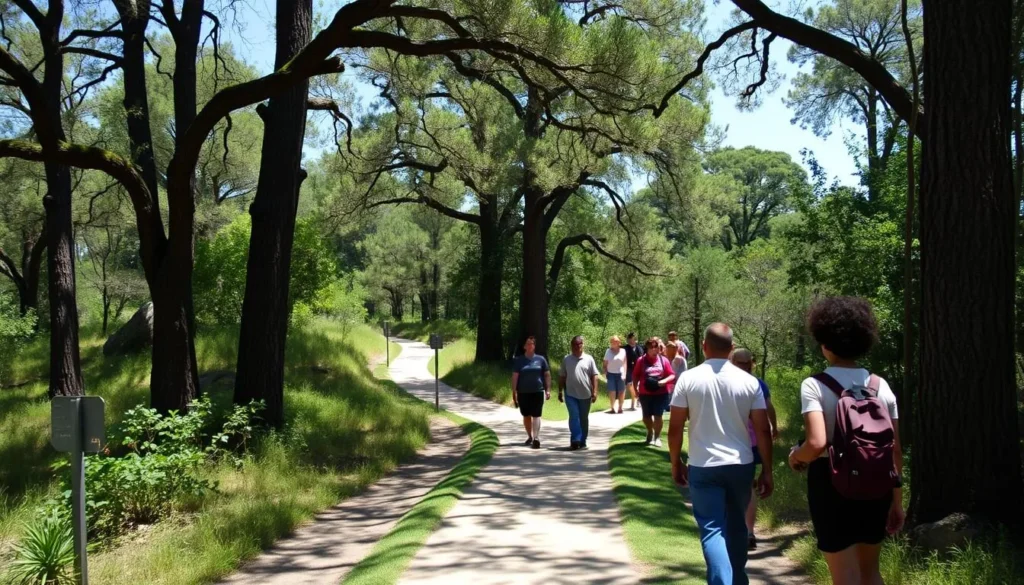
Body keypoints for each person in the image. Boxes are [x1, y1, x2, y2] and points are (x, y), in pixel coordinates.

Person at [788, 297, 904, 585]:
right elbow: (895, 450)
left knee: (845, 577)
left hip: (831, 483)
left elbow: (816, 443)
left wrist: (796, 457)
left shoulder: (814, 385)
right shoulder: (881, 385)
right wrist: (897, 501)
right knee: (870, 573)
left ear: (825, 343)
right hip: (877, 483)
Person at [668, 323, 773, 585]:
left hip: (703, 466)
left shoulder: (688, 379)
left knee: (712, 528)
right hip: (741, 465)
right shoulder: (750, 382)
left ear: (703, 347)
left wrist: (675, 463)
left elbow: (675, 428)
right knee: (737, 525)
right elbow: (763, 429)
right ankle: (737, 580)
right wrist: (768, 471)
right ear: (731, 349)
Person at [729, 348, 778, 550]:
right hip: (742, 442)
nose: (747, 365)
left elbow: (769, 406)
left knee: (744, 486)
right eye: (743, 362)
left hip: (743, 442)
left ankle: (747, 531)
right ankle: (744, 530)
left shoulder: (732, 383)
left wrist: (773, 427)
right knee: (744, 486)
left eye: (748, 362)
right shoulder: (754, 384)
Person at [631, 337, 675, 447]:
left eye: (656, 347)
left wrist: (664, 381)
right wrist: (635, 389)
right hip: (645, 393)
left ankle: (657, 437)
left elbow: (672, 375)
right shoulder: (641, 360)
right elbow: (635, 375)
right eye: (652, 348)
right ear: (647, 349)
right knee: (646, 417)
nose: (655, 350)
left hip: (660, 393)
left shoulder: (663, 360)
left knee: (658, 416)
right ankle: (650, 431)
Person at [559, 336, 599, 451]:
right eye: (575, 345)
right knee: (574, 415)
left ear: (583, 345)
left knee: (583, 418)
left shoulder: (589, 359)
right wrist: (560, 391)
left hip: (586, 394)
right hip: (570, 393)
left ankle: (583, 440)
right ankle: (575, 439)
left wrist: (595, 391)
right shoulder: (567, 359)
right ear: (571, 346)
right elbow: (562, 376)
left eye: (579, 344)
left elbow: (594, 376)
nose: (577, 347)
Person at [511, 336, 551, 449]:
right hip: (523, 392)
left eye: (532, 344)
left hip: (537, 391)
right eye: (528, 344)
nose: (530, 345)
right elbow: (515, 377)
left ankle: (536, 438)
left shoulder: (541, 359)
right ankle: (530, 436)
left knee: (537, 415)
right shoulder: (519, 361)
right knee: (526, 415)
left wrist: (548, 390)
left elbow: (547, 375)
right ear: (524, 346)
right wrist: (514, 392)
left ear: (534, 346)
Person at [603, 335, 627, 414]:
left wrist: (625, 373)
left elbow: (624, 363)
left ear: (619, 342)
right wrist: (605, 372)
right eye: (613, 341)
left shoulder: (623, 351)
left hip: (621, 374)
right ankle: (612, 408)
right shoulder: (608, 351)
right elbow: (605, 363)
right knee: (612, 391)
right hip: (611, 373)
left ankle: (620, 407)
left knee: (621, 391)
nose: (615, 342)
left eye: (616, 341)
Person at [624, 332, 643, 411]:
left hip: (638, 369)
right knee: (630, 385)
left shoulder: (639, 348)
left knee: (638, 386)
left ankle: (637, 400)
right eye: (630, 339)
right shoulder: (625, 348)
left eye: (633, 339)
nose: (631, 341)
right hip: (628, 369)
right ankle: (633, 403)